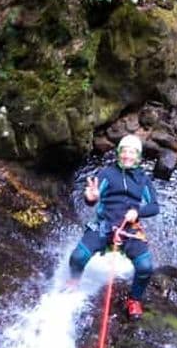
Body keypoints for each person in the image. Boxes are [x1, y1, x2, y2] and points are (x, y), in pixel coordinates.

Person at [68, 134, 160, 319]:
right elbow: (91, 199)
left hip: (129, 229)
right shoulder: (107, 174)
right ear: (119, 153)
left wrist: (138, 212)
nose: (127, 156)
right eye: (124, 151)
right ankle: (73, 281)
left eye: (131, 152)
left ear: (138, 156)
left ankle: (134, 299)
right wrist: (91, 197)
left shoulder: (143, 180)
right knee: (78, 256)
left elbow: (154, 207)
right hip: (104, 225)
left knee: (145, 267)